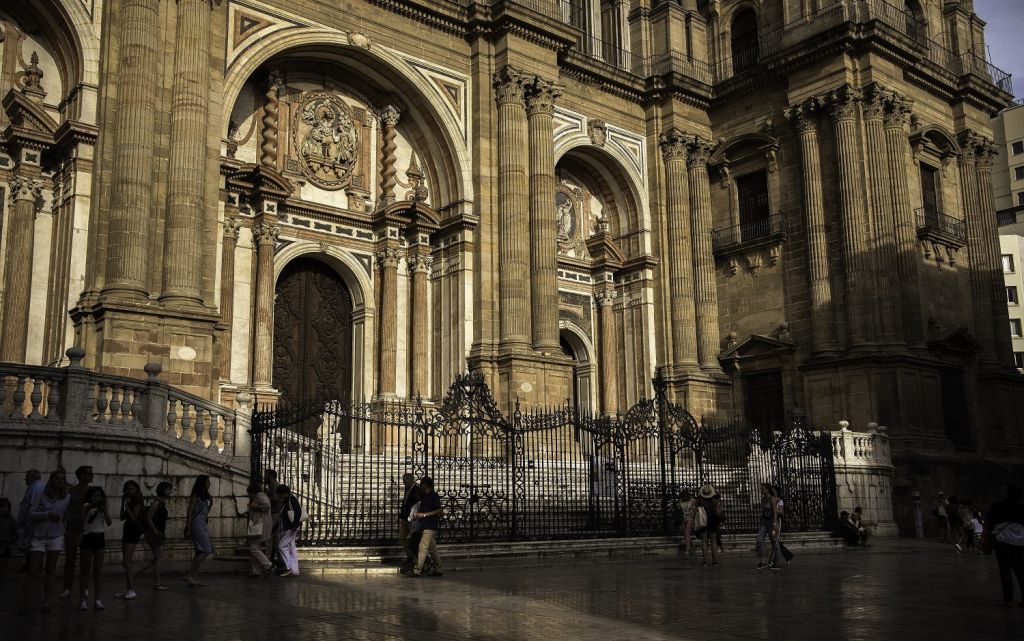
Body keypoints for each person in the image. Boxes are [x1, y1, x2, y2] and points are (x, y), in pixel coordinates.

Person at [21, 469, 70, 614]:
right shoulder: (41, 495)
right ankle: (27, 602)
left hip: (56, 536)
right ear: (52, 480)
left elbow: (67, 515)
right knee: (34, 569)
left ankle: (46, 601)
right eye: (57, 478)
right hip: (39, 536)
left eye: (62, 479)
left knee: (51, 569)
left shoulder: (67, 497)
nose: (60, 481)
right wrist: (47, 515)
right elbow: (30, 513)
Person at [987, 483, 1024, 607]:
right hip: (1019, 542)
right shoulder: (1021, 507)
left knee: (1005, 570)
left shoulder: (1000, 505)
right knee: (1020, 570)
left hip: (1003, 541)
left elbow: (990, 518)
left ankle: (1008, 599)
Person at [59, 465, 93, 600]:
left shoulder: (93, 491)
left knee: (86, 561)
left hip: (86, 529)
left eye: (91, 474)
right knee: (70, 560)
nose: (91, 476)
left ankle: (84, 587)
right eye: (88, 474)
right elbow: (66, 508)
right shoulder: (71, 490)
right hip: (72, 527)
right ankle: (67, 587)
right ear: (80, 476)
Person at [134, 481, 171, 591]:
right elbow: (148, 517)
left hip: (157, 533)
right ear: (163, 490)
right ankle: (156, 583)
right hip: (153, 533)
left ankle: (135, 572)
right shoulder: (157, 503)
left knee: (157, 558)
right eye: (169, 489)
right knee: (159, 557)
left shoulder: (161, 502)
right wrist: (155, 530)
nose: (170, 491)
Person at [79, 486, 111, 611]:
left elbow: (109, 522)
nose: (97, 498)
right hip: (88, 537)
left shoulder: (103, 507)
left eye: (99, 495)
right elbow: (87, 516)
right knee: (85, 571)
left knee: (98, 571)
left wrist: (104, 511)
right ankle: (82, 599)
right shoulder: (86, 505)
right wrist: (95, 508)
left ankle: (98, 599)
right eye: (94, 495)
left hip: (99, 537)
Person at [114, 480, 146, 600]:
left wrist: (127, 505)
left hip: (133, 531)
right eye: (127, 489)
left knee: (127, 560)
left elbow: (133, 518)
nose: (129, 491)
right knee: (125, 561)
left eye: (132, 489)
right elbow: (122, 517)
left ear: (137, 490)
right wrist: (123, 503)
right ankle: (128, 588)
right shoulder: (129, 501)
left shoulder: (137, 501)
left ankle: (131, 589)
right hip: (127, 530)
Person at [410, 476, 443, 578]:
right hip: (424, 525)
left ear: (426, 484)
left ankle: (417, 570)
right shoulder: (424, 496)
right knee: (432, 549)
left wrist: (424, 515)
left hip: (430, 525)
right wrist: (417, 515)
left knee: (422, 547)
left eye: (422, 484)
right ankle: (438, 569)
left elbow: (438, 510)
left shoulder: (434, 496)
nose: (420, 485)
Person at [184, 475, 214, 587]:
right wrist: (188, 528)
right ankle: (189, 575)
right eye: (208, 482)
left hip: (202, 523)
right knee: (206, 550)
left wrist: (211, 503)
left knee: (200, 551)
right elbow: (190, 512)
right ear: (203, 483)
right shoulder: (195, 495)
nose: (209, 484)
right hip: (196, 524)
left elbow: (205, 512)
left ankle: (192, 578)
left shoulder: (205, 496)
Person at [16, 469, 43, 573]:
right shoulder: (39, 486)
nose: (25, 479)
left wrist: (23, 520)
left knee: (28, 544)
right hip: (36, 520)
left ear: (32, 477)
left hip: (31, 521)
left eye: (27, 476)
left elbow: (30, 505)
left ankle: (31, 565)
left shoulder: (35, 487)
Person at [246, 483, 273, 577]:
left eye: (249, 493)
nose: (249, 495)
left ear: (253, 492)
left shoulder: (260, 496)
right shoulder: (257, 497)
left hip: (261, 526)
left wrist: (253, 507)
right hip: (258, 525)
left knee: (254, 547)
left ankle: (268, 565)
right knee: (255, 547)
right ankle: (256, 571)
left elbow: (266, 506)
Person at [275, 485, 302, 577]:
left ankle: (289, 568)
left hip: (290, 527)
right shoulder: (288, 499)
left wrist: (295, 524)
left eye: (280, 494)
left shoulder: (291, 499)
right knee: (291, 547)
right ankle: (295, 570)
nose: (279, 496)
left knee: (281, 546)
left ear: (284, 493)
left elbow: (298, 511)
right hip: (291, 526)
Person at [696, 484, 722, 567]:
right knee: (713, 542)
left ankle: (705, 561)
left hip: (703, 521)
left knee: (704, 541)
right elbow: (718, 513)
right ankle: (715, 561)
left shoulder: (699, 501)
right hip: (713, 521)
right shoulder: (715, 501)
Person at [398, 473, 419, 572]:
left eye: (405, 481)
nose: (403, 483)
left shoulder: (416, 490)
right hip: (404, 518)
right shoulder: (407, 489)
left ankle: (414, 559)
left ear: (410, 480)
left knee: (411, 540)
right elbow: (405, 503)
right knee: (402, 537)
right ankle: (410, 556)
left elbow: (416, 505)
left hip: (411, 520)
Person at [265, 469, 284, 572]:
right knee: (276, 538)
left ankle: (267, 560)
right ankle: (280, 559)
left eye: (266, 475)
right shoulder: (272, 486)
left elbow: (277, 499)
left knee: (268, 536)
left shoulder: (275, 486)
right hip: (275, 514)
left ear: (271, 476)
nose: (264, 477)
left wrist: (266, 497)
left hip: (275, 514)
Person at [756, 483, 776, 569]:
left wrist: (775, 523)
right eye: (761, 489)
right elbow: (762, 512)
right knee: (760, 540)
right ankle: (763, 561)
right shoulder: (763, 499)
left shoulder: (772, 499)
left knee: (774, 542)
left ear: (767, 489)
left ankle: (773, 561)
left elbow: (775, 511)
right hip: (764, 522)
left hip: (771, 522)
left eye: (762, 489)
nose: (761, 491)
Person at [0, 497, 17, 581]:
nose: (4, 509)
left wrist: (8, 539)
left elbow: (16, 535)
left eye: (7, 507)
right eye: (2, 506)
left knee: (2, 574)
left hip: (5, 549)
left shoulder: (11, 521)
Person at [678, 489, 697, 557]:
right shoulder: (681, 501)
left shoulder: (692, 501)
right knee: (685, 534)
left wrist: (695, 521)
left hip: (690, 518)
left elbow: (695, 511)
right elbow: (680, 509)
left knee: (687, 533)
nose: (685, 497)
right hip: (684, 518)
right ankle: (691, 545)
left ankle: (687, 549)